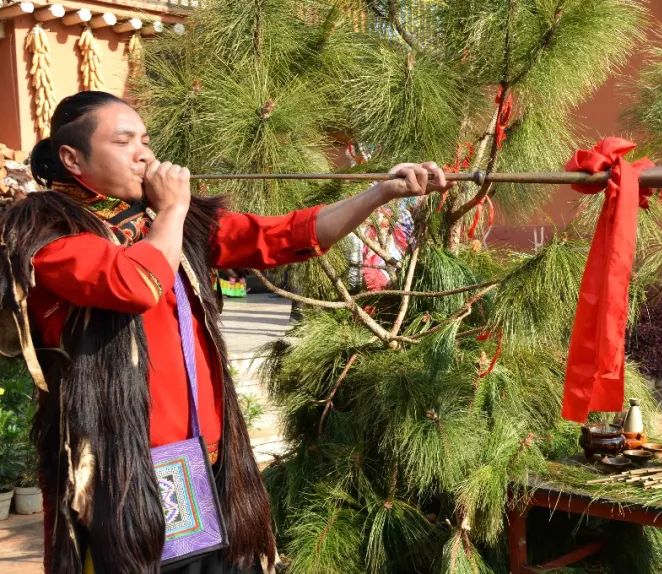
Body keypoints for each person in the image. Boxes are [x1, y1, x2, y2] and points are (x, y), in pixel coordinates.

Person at [0, 91, 447, 572]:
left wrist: (382, 191)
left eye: (145, 140)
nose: (144, 154)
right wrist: (171, 210)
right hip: (125, 471)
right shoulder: (46, 231)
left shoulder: (166, 222)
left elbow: (282, 235)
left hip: (206, 459)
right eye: (124, 141)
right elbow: (133, 283)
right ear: (72, 158)